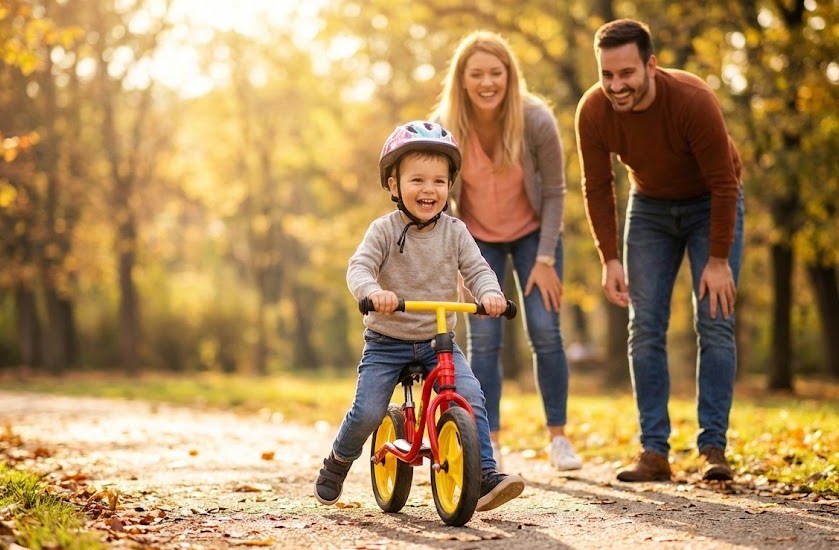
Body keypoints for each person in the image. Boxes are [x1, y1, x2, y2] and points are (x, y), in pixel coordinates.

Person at [314, 120, 525, 512]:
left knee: (470, 395)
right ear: (393, 185)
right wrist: (373, 292)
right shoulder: (383, 230)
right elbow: (359, 267)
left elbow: (477, 270)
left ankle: (484, 477)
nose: (429, 190)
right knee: (369, 411)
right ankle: (339, 459)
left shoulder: (456, 232)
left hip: (437, 340)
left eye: (439, 182)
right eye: (417, 180)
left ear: (449, 186)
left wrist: (491, 294)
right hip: (387, 341)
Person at [574, 18, 744, 482]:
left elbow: (725, 184)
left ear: (651, 64)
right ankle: (654, 452)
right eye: (607, 74)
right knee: (644, 326)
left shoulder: (693, 100)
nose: (616, 85)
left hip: (710, 203)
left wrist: (717, 260)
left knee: (714, 320)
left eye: (626, 73)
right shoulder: (593, 110)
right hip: (649, 206)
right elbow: (597, 185)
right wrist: (609, 257)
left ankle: (713, 448)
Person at [433, 30, 581, 471]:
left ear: (509, 75)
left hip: (535, 234)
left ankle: (559, 439)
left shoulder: (535, 119)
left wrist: (547, 258)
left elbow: (555, 191)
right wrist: (458, 261)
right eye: (476, 73)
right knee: (485, 340)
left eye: (495, 73)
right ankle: (488, 441)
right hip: (479, 239)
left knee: (545, 330)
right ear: (462, 79)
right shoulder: (446, 126)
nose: (486, 82)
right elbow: (444, 200)